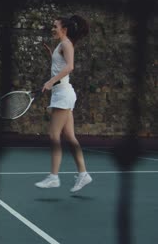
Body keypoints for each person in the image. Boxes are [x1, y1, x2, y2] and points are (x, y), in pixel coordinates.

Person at [35, 15, 92, 193]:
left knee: (53, 135)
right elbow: (62, 65)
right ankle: (83, 174)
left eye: (55, 26)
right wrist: (51, 55)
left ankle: (53, 177)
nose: (52, 28)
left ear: (64, 29)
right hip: (62, 93)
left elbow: (70, 67)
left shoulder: (66, 44)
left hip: (63, 94)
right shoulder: (61, 45)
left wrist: (50, 81)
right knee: (69, 136)